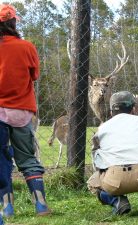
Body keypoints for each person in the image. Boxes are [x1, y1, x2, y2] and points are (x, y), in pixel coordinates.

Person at [0, 3, 50, 217]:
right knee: (27, 157)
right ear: (13, 23)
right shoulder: (27, 47)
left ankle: (7, 208)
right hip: (21, 110)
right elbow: (34, 75)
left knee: (1, 160)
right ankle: (40, 205)